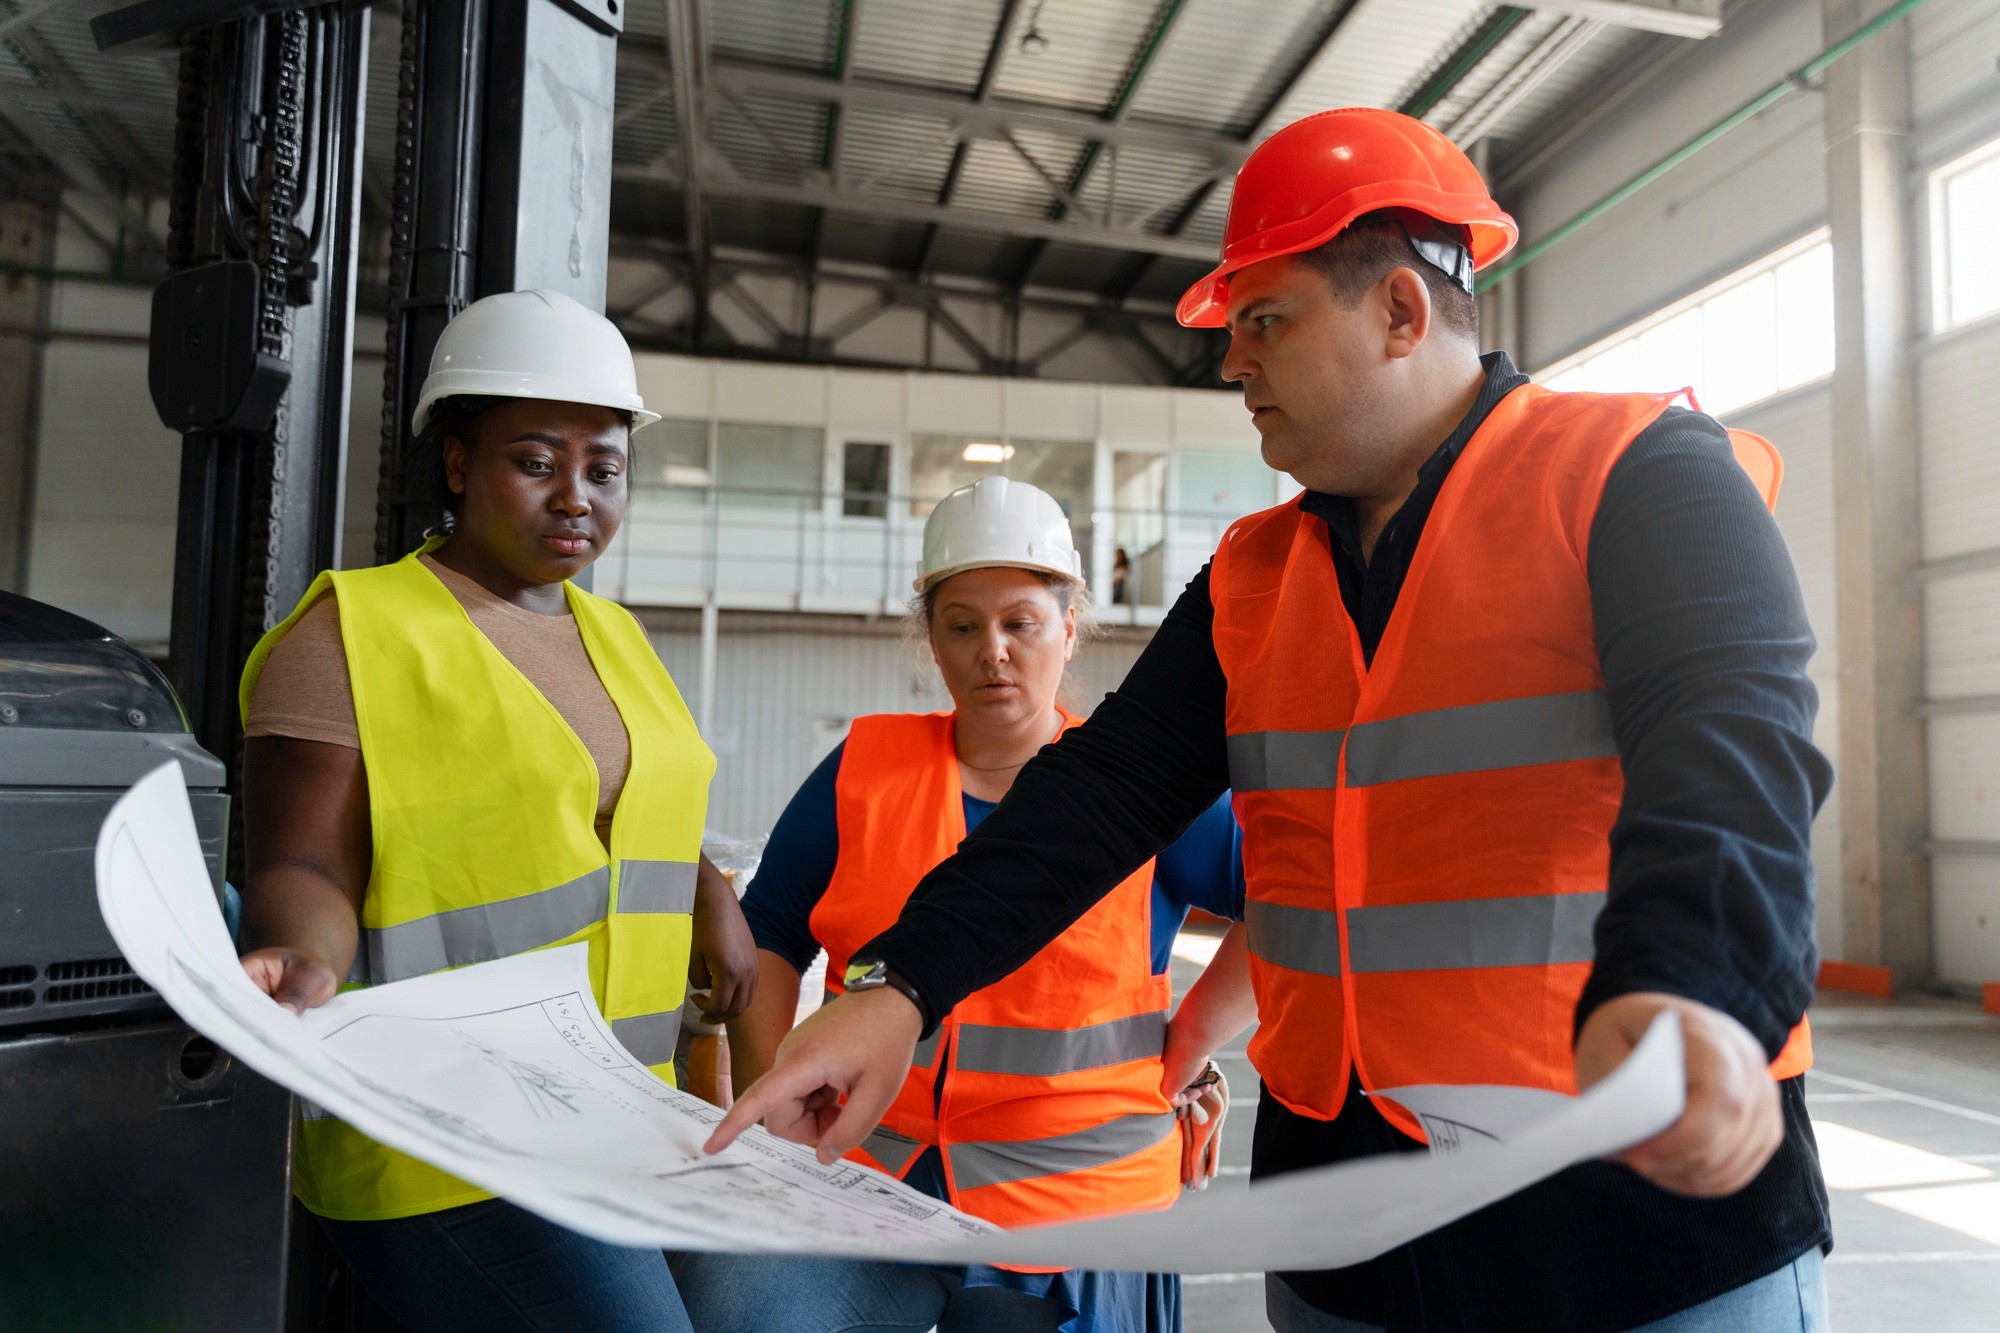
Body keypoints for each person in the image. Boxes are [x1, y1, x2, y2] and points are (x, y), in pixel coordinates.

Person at [709, 108, 1834, 1333]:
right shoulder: (1253, 574)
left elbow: (1730, 747)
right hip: (1345, 1222)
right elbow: (1099, 794)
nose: (1232, 363)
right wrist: (899, 986)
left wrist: (1695, 986)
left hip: (1633, 1188)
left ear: (1400, 312)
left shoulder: (1638, 473)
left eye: (1263, 321)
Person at [236, 288, 757, 1333]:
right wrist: (303, 952)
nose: (576, 496)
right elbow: (307, 864)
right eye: (535, 460)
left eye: (603, 468)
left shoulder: (617, 638)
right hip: (443, 1140)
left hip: (619, 1119)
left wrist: (710, 896)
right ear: (459, 461)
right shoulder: (355, 633)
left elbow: (625, 807)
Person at [672, 476, 1251, 1333]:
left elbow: (1294, 894)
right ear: (931, 644)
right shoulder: (862, 771)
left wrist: (1195, 1037)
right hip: (871, 1181)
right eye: (962, 625)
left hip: (1073, 1209)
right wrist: (774, 1121)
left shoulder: (1146, 790)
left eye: (1021, 622)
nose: (994, 652)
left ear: (1068, 628)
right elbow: (770, 933)